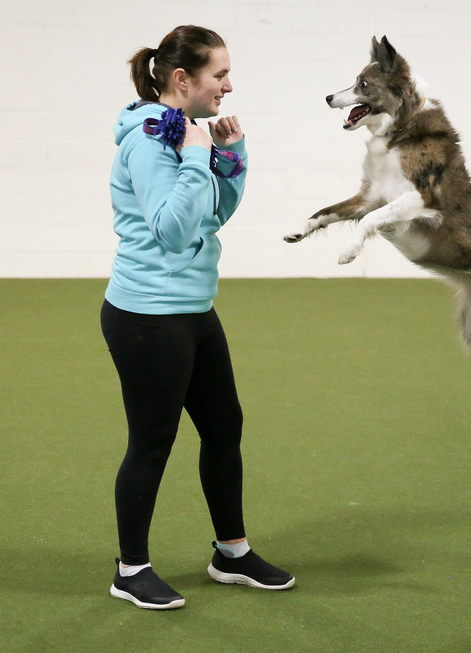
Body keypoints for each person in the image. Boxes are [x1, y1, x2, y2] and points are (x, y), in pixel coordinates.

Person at [101, 25, 294, 610]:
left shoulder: (186, 138)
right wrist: (192, 157)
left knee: (224, 427)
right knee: (153, 441)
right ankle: (130, 569)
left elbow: (211, 218)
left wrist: (228, 157)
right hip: (147, 316)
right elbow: (171, 229)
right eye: (220, 75)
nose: (228, 86)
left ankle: (230, 553)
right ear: (182, 80)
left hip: (193, 309)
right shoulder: (148, 141)